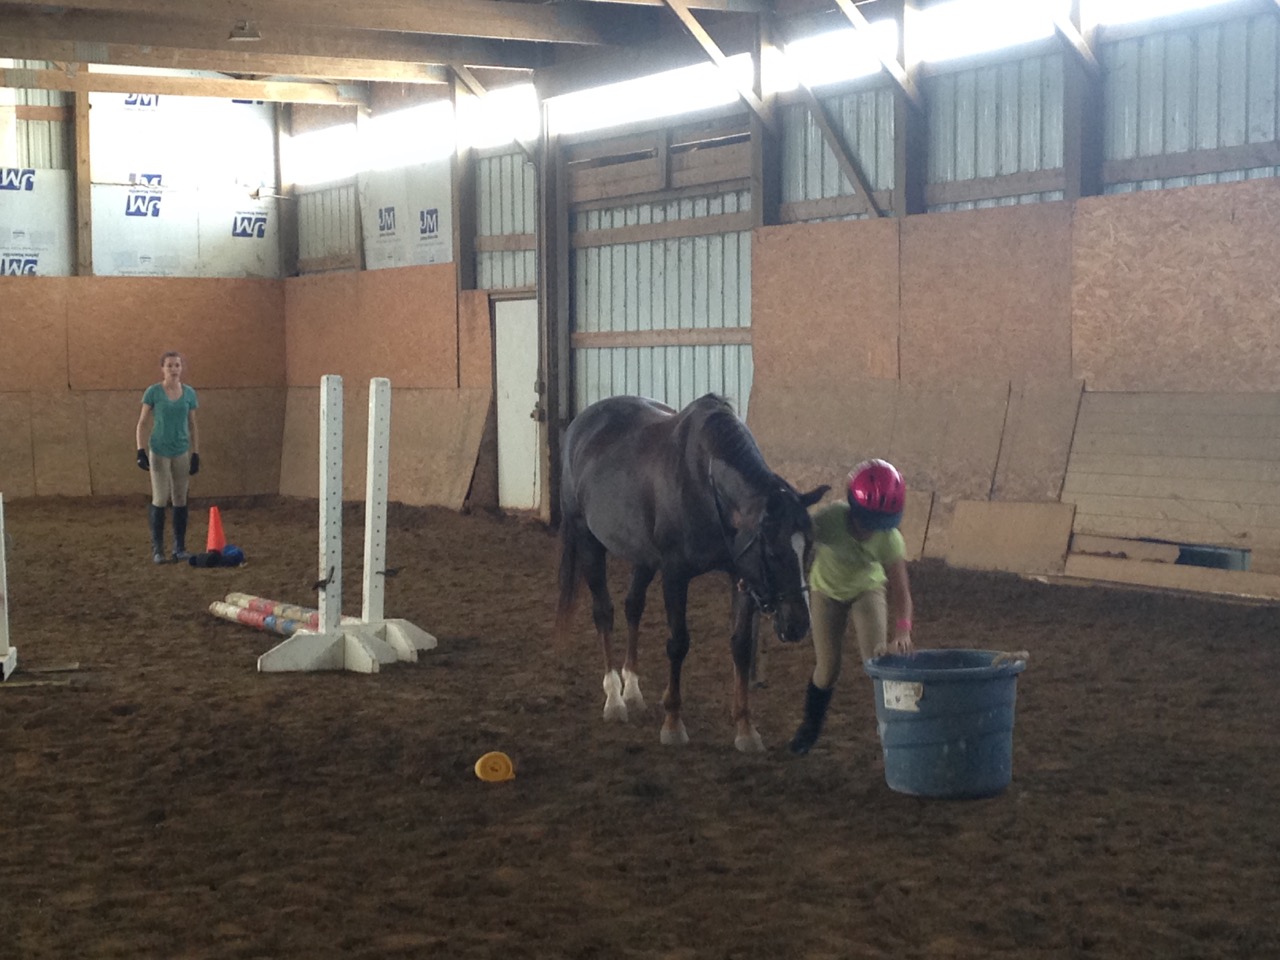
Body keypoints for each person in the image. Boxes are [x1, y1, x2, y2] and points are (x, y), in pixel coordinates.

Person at [789, 458, 915, 756]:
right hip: (825, 591)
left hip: (866, 590)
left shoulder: (890, 539)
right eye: (865, 523)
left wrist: (903, 631)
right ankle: (810, 727)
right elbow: (794, 541)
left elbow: (902, 593)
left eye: (878, 526)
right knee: (827, 668)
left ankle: (894, 728)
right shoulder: (829, 520)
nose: (871, 531)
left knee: (878, 662)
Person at [135, 351, 200, 564]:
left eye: (177, 365)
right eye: (169, 365)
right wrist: (140, 449)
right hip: (159, 450)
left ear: (182, 368)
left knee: (180, 498)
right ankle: (158, 550)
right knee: (160, 498)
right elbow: (142, 422)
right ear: (162, 369)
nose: (173, 369)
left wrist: (195, 452)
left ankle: (179, 548)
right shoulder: (153, 392)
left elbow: (192, 424)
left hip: (181, 449)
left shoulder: (189, 393)